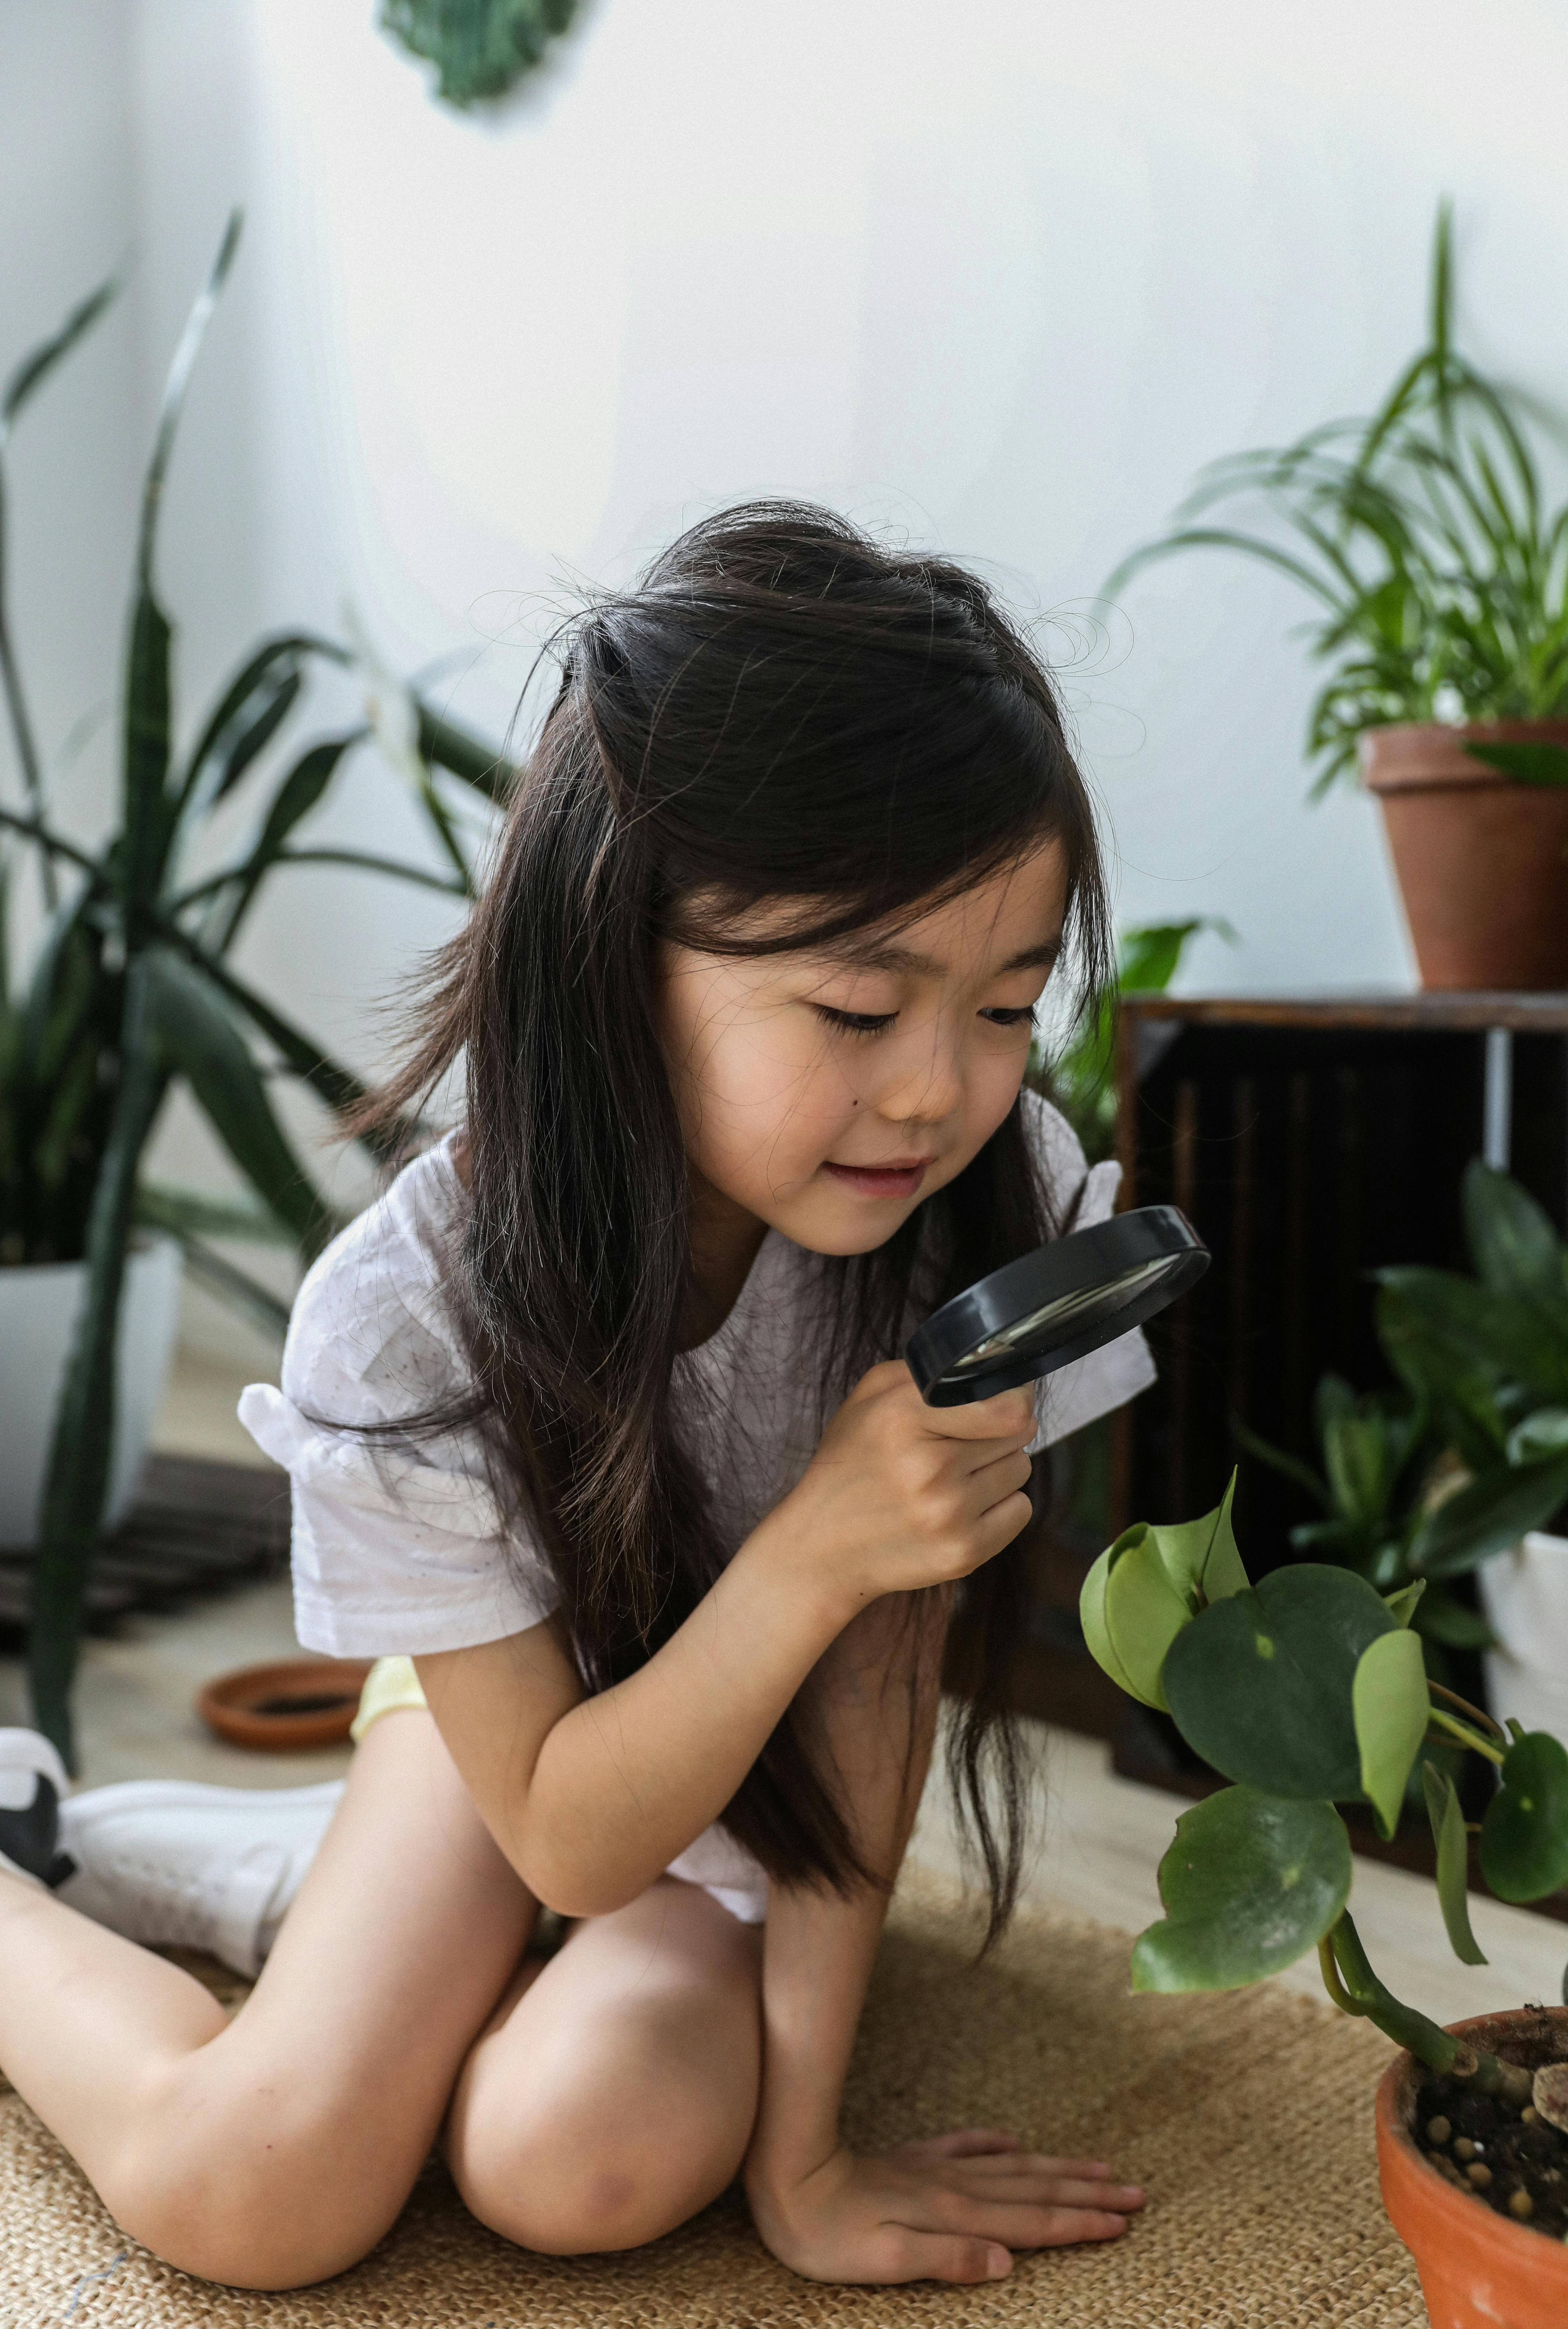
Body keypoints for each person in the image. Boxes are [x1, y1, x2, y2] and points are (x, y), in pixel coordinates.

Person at [0, 503, 1152, 2292]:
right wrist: (810, 1551)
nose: (938, 1093)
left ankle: (308, 1893)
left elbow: (878, 1672)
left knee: (578, 2164)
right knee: (258, 2198)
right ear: (615, 961)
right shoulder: (405, 1319)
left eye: (1003, 1009)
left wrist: (807, 2157)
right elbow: (556, 1816)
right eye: (857, 1011)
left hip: (745, 1800)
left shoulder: (972, 1223)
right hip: (515, 1741)